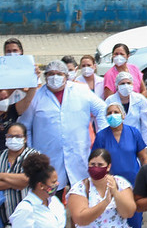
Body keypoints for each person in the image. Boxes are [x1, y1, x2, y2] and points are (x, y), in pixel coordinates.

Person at [19, 60, 109, 192]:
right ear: (45, 77)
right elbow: (25, 127)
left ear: (66, 76)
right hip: (48, 159)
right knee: (51, 196)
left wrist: (101, 138)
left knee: (81, 195)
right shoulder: (36, 97)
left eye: (58, 74)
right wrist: (32, 153)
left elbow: (102, 110)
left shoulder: (81, 91)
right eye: (50, 74)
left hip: (78, 155)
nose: (54, 77)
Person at [92, 102, 147, 228]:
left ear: (123, 115)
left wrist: (145, 180)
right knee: (111, 222)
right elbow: (97, 163)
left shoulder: (133, 133)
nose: (113, 115)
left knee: (135, 221)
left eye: (116, 112)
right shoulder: (102, 136)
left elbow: (143, 157)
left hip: (133, 184)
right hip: (110, 186)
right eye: (109, 113)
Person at [0, 123, 38, 228]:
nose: (13, 139)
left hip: (29, 220)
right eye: (10, 136)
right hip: (5, 222)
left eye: (18, 137)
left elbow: (26, 180)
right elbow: (22, 181)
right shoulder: (1, 156)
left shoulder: (33, 156)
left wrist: (1, 176)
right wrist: (17, 182)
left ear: (25, 139)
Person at [107, 72, 147, 146]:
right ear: (117, 85)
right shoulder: (110, 101)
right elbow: (105, 124)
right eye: (122, 83)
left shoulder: (140, 100)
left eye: (128, 83)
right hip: (115, 141)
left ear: (132, 84)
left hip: (135, 141)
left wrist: (145, 146)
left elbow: (146, 125)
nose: (126, 86)